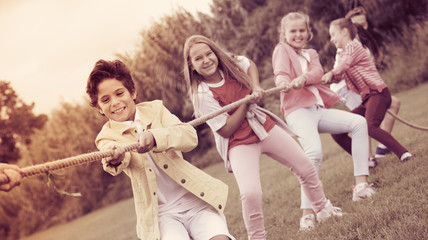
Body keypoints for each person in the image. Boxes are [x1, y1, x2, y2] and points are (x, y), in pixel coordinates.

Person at [183, 34, 342, 239]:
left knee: (305, 166)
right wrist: (246, 102)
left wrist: (255, 86)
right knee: (250, 193)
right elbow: (225, 130)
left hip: (263, 127)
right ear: (192, 65)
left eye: (208, 54)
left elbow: (249, 64)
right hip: (239, 142)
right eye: (198, 58)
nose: (206, 60)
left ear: (215, 53)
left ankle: (324, 210)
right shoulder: (202, 94)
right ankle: (257, 237)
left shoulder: (230, 64)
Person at [86, 59, 235, 240]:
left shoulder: (156, 109)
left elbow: (189, 136)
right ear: (99, 108)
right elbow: (111, 157)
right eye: (105, 100)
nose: (115, 102)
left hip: (195, 200)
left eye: (119, 93)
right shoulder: (106, 136)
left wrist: (156, 138)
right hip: (162, 215)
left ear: (132, 92)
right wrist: (116, 156)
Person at [272, 12, 375, 231]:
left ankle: (361, 187)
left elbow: (318, 72)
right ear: (284, 33)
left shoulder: (311, 53)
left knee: (358, 123)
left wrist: (304, 78)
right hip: (297, 111)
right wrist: (284, 82)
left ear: (308, 33)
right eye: (293, 31)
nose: (298, 34)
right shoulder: (282, 49)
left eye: (302, 30)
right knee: (314, 154)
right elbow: (280, 72)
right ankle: (308, 215)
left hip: (317, 109)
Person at [321, 18, 415, 163]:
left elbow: (344, 65)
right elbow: (340, 74)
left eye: (333, 34)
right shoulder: (343, 53)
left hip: (378, 94)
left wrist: (332, 73)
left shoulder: (353, 47)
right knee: (337, 133)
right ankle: (365, 159)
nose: (332, 39)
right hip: (367, 99)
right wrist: (323, 79)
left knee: (370, 126)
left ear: (344, 32)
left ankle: (404, 154)